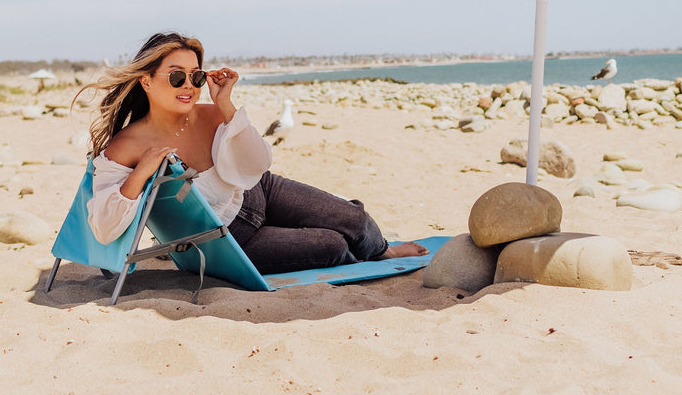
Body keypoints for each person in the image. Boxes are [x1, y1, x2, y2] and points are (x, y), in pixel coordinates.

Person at [74, 31, 425, 274]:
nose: (189, 88)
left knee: (356, 221)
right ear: (146, 80)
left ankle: (382, 251)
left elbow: (258, 163)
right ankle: (350, 254)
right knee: (331, 246)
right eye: (176, 77)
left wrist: (225, 105)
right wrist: (140, 173)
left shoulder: (212, 113)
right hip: (228, 237)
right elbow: (104, 228)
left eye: (196, 78)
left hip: (260, 191)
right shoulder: (127, 145)